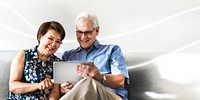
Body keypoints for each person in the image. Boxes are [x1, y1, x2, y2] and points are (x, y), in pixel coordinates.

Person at [60, 12, 129, 100]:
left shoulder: (112, 50)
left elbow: (120, 80)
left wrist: (100, 77)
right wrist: (62, 89)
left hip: (110, 97)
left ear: (97, 31)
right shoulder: (67, 56)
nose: (83, 36)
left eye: (87, 32)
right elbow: (59, 86)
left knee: (89, 82)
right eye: (79, 32)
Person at [7, 21, 66, 100]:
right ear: (40, 37)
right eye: (50, 39)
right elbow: (13, 86)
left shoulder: (58, 63)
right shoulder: (24, 55)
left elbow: (55, 92)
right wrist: (38, 85)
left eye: (58, 41)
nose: (53, 44)